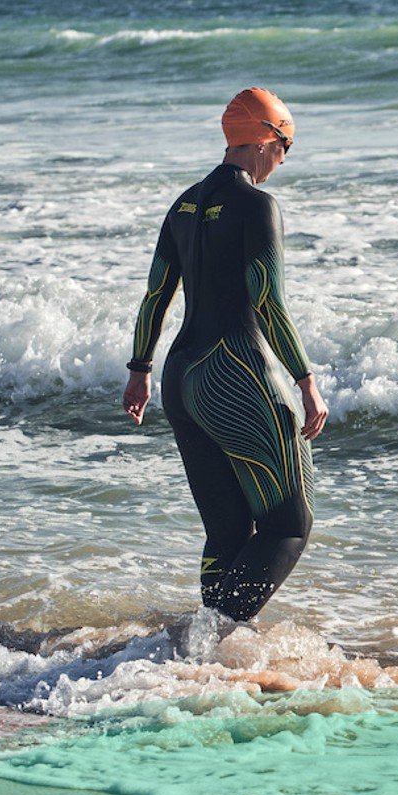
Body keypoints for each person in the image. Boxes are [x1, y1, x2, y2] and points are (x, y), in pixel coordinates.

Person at [121, 87, 327, 623]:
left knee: (227, 529)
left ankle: (201, 647)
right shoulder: (258, 206)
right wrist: (305, 379)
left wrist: (140, 369)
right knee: (289, 525)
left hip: (179, 379)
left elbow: (155, 295)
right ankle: (212, 638)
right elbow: (268, 300)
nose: (284, 159)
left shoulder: (184, 204)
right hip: (232, 373)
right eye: (286, 146)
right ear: (266, 140)